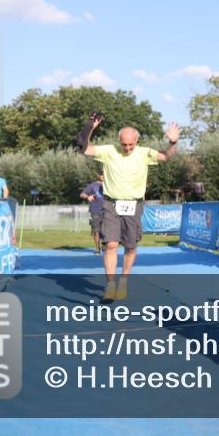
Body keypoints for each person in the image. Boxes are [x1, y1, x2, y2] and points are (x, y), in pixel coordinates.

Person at [79, 113, 180, 303]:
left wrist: (172, 142)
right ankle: (110, 285)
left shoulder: (144, 153)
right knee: (110, 244)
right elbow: (85, 149)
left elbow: (166, 156)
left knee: (130, 246)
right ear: (119, 141)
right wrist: (90, 127)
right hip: (111, 204)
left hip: (134, 205)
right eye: (124, 144)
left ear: (136, 141)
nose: (127, 148)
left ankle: (124, 281)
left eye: (131, 145)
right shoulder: (109, 151)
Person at [80, 171, 105, 255]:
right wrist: (88, 196)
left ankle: (104, 245)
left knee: (106, 230)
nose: (103, 176)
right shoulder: (93, 185)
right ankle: (97, 248)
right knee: (96, 230)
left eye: (105, 175)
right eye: (102, 175)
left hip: (107, 211)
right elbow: (82, 194)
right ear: (99, 176)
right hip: (95, 211)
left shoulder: (109, 185)